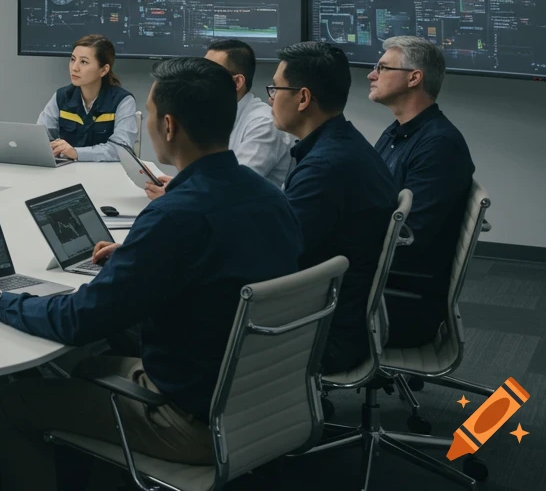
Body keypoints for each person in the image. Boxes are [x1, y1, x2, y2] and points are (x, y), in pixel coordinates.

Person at [0, 57, 302, 490]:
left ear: (170, 127)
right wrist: (141, 254)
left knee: (16, 401)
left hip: (194, 418)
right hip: (265, 396)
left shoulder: (173, 215)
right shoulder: (270, 197)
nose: (147, 124)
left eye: (150, 116)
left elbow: (79, 320)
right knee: (85, 369)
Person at [270, 42, 398, 374]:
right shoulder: (340, 144)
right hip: (338, 312)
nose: (271, 98)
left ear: (303, 98)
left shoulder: (325, 168)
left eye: (276, 89)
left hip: (325, 331)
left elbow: (277, 257)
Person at [367, 36, 475, 348]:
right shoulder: (397, 132)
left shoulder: (439, 146)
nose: (372, 74)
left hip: (402, 302)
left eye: (382, 68)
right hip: (384, 285)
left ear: (415, 78)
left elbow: (408, 237)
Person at [143, 39, 295, 199]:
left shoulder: (264, 123)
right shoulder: (216, 114)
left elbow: (230, 186)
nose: (200, 78)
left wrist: (175, 194)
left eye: (210, 72)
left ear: (237, 82)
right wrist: (179, 185)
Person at [36, 34, 137, 162]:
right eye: (73, 59)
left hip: (106, 176)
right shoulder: (61, 97)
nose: (74, 68)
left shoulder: (123, 101)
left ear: (104, 70)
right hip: (67, 173)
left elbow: (122, 150)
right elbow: (40, 139)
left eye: (83, 62)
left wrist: (77, 153)